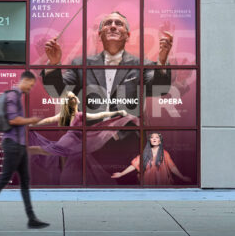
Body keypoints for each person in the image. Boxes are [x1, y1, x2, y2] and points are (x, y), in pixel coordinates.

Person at [42, 11, 173, 117]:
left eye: (119, 23)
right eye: (108, 23)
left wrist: (161, 61)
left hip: (129, 141)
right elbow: (57, 91)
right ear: (99, 35)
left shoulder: (142, 64)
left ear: (127, 35)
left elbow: (160, 88)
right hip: (89, 141)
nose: (113, 26)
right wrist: (54, 63)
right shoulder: (80, 64)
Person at [0, 71, 49, 230]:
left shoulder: (17, 97)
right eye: (31, 84)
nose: (31, 87)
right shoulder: (12, 96)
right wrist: (32, 120)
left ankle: (31, 218)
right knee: (3, 179)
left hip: (19, 146)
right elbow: (13, 120)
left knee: (25, 181)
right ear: (26, 80)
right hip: (14, 146)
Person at [28, 91, 138, 185]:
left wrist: (117, 112)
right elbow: (48, 120)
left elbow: (100, 115)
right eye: (72, 99)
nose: (74, 101)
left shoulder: (76, 115)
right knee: (50, 150)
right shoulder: (69, 115)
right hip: (70, 140)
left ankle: (69, 180)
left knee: (55, 153)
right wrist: (33, 125)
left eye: (73, 98)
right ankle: (25, 150)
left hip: (76, 143)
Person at [111, 133, 191, 185]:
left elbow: (172, 167)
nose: (154, 139)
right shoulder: (145, 153)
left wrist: (182, 177)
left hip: (162, 182)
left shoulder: (164, 153)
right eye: (152, 138)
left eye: (157, 137)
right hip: (148, 181)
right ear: (150, 141)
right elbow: (134, 165)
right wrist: (121, 174)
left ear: (160, 141)